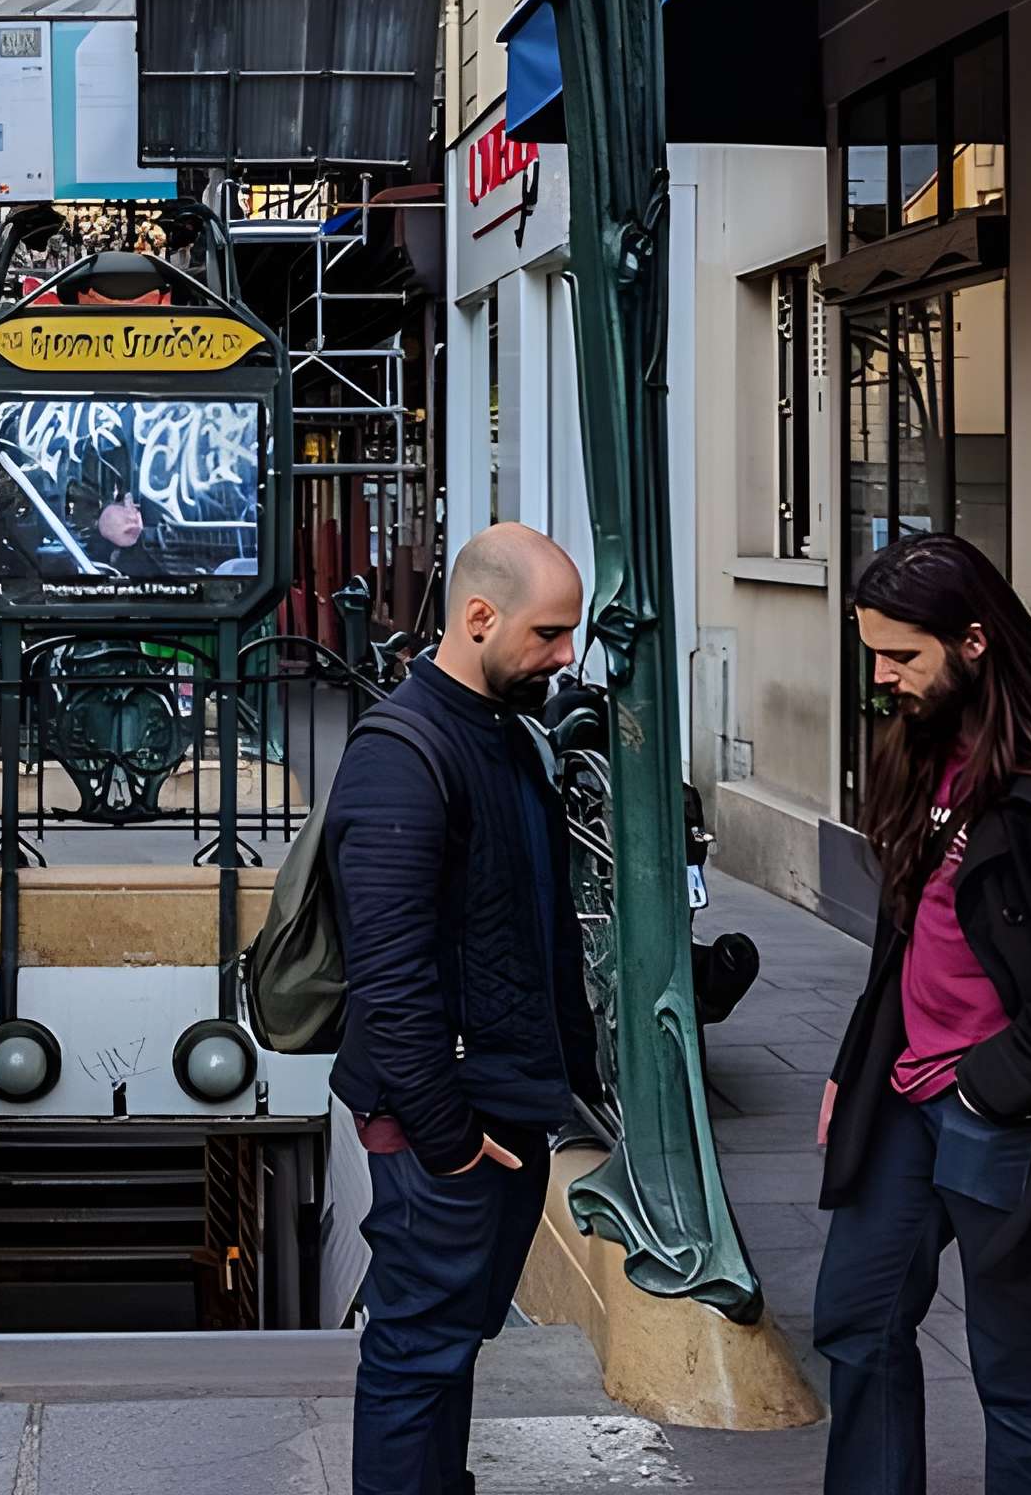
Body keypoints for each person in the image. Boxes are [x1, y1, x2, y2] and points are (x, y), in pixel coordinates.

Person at [815, 533, 1031, 1495]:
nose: (884, 677)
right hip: (901, 1093)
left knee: (1020, 1374)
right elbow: (900, 939)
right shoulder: (919, 749)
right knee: (857, 1321)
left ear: (974, 641)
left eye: (904, 657)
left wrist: (986, 1090)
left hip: (1001, 1109)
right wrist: (852, 1069)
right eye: (875, 655)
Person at [326, 523, 602, 1495]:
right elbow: (390, 974)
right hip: (450, 1122)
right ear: (479, 618)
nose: (565, 655)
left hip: (503, 1105)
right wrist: (444, 1139)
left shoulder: (497, 734)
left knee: (448, 1346)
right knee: (417, 1353)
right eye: (549, 633)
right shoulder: (405, 754)